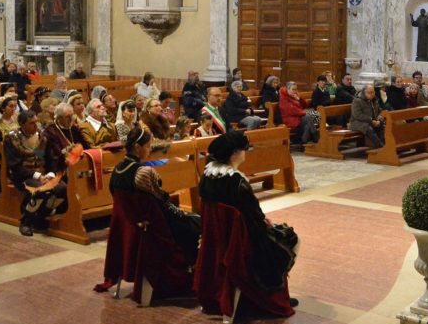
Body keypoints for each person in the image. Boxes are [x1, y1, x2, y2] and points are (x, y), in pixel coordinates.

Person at [199, 130, 298, 309]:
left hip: (215, 239)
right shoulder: (237, 183)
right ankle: (273, 296)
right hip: (240, 242)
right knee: (289, 239)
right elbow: (253, 217)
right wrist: (266, 223)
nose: (245, 152)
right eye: (244, 149)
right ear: (234, 153)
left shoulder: (207, 175)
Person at [110, 126, 201, 261]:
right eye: (147, 146)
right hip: (153, 228)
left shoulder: (116, 170)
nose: (150, 149)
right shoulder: (144, 172)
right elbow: (161, 203)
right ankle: (193, 265)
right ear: (137, 147)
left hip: (129, 225)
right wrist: (184, 215)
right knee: (197, 223)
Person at [6, 110, 69, 236]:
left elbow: (50, 159)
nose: (35, 126)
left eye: (36, 122)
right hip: (22, 175)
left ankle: (41, 216)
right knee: (41, 189)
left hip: (43, 174)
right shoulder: (11, 138)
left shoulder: (42, 137)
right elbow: (15, 165)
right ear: (22, 124)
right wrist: (37, 176)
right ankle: (26, 222)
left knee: (62, 188)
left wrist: (50, 174)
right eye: (31, 123)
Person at [350, 83, 386, 149]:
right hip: (357, 122)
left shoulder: (374, 100)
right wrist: (371, 120)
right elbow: (357, 115)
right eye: (369, 92)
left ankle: (384, 145)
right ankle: (380, 147)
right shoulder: (357, 101)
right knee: (368, 128)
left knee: (382, 126)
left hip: (372, 121)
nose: (371, 94)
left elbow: (380, 111)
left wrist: (379, 120)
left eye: (373, 92)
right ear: (364, 92)